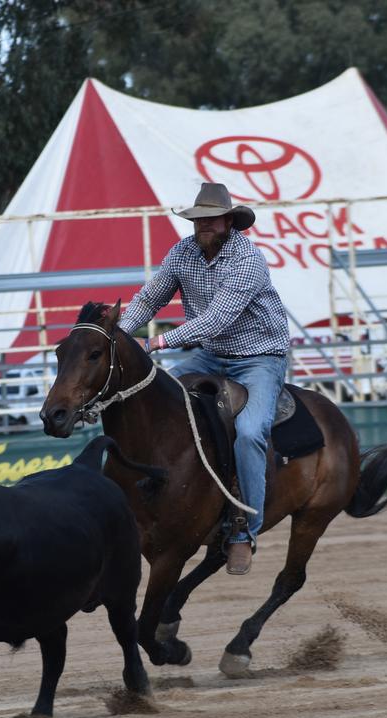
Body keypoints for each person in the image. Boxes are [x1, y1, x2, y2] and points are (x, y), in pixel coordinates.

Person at [118, 183, 290, 575]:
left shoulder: (247, 261)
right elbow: (150, 298)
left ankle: (245, 528)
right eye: (199, 220)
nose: (204, 226)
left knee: (250, 431)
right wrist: (121, 336)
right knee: (156, 401)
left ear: (230, 221)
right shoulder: (183, 252)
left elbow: (216, 319)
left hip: (259, 358)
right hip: (211, 355)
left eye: (211, 219)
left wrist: (153, 343)